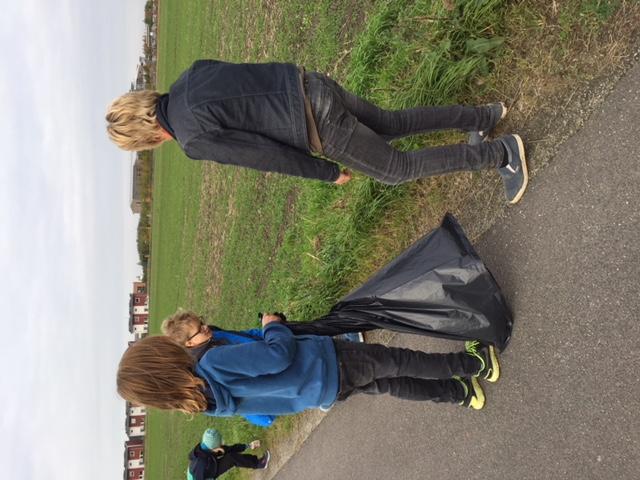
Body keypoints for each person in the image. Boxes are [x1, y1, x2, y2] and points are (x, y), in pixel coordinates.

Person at [106, 59, 528, 203]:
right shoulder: (189, 76)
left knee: (396, 169)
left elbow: (262, 154)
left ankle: (502, 154)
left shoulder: (191, 139)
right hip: (311, 84)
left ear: (145, 139)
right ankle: (482, 116)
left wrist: (326, 172)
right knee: (393, 123)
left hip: (316, 125)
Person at [117, 314, 501, 418]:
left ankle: (461, 394)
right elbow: (276, 356)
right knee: (398, 361)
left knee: (390, 383)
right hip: (327, 363)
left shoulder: (203, 403)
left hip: (320, 392)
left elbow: (271, 404)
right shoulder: (212, 363)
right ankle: (474, 364)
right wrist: (274, 328)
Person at [186, 428, 270, 480]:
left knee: (231, 457)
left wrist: (248, 445)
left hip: (209, 465)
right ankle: (259, 464)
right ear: (213, 448)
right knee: (231, 458)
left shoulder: (208, 445)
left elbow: (230, 449)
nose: (221, 446)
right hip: (202, 476)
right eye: (219, 445)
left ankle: (258, 464)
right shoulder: (200, 464)